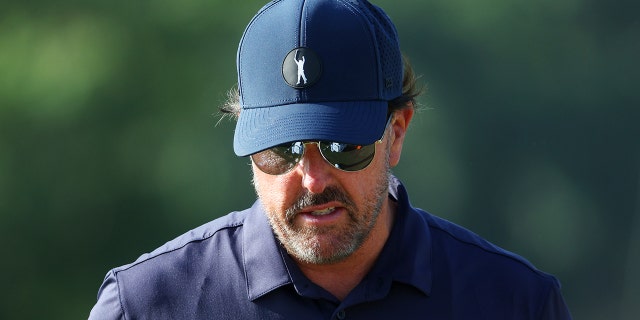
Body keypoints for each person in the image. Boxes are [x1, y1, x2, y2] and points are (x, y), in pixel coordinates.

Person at [89, 0, 572, 319]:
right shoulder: (143, 306)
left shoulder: (516, 303)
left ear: (397, 133)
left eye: (344, 147)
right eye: (283, 149)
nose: (313, 179)